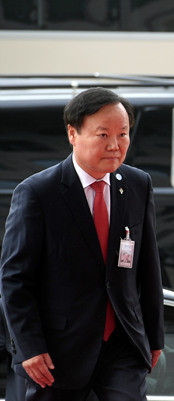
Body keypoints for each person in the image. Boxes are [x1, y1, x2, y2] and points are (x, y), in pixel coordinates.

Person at [0, 87, 164, 400]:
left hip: (122, 342)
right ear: (73, 134)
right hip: (57, 349)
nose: (115, 145)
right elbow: (15, 278)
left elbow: (148, 267)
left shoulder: (137, 184)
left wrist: (154, 338)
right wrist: (29, 347)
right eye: (103, 135)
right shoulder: (38, 192)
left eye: (123, 134)